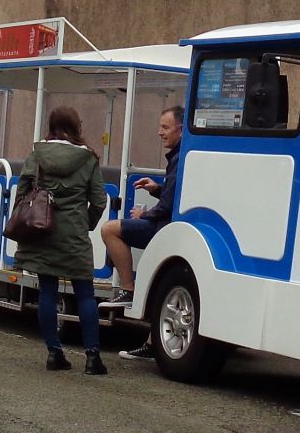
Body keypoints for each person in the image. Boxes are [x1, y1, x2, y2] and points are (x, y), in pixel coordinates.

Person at [16, 106, 107, 375]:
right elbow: (100, 200)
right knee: (85, 294)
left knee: (47, 291)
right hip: (75, 235)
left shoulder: (37, 154)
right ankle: (92, 358)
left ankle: (54, 354)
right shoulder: (88, 158)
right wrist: (85, 223)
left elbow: (22, 191)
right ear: (75, 127)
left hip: (42, 231)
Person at [104, 106, 183, 360]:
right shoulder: (180, 156)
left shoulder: (181, 158)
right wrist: (157, 189)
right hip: (169, 226)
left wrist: (144, 216)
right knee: (165, 285)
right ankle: (152, 343)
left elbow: (170, 206)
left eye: (165, 127)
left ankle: (128, 288)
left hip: (165, 228)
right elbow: (174, 195)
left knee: (110, 230)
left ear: (181, 130)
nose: (160, 132)